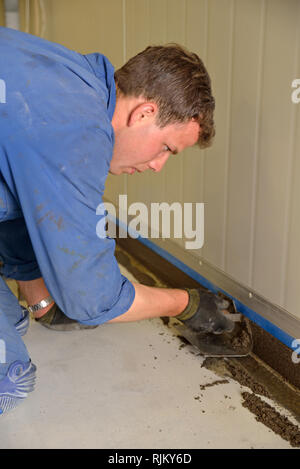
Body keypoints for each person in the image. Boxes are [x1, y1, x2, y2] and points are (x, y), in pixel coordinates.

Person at [0, 26, 233, 414]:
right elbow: (90, 297)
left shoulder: (71, 78)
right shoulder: (76, 131)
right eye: (166, 149)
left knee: (14, 323)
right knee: (10, 375)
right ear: (144, 112)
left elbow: (15, 187)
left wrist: (38, 299)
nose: (157, 166)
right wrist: (185, 304)